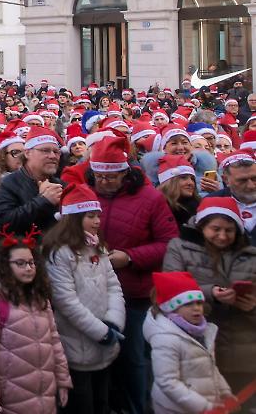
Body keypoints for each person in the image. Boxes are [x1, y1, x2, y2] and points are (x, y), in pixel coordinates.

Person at [86, 136, 178, 414]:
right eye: (99, 176)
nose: (104, 182)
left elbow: (169, 243)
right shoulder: (86, 194)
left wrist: (131, 258)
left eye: (111, 177)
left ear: (125, 173)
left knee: (134, 359)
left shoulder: (150, 198)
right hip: (94, 291)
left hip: (136, 293)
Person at [41, 184, 125, 414]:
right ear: (74, 218)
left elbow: (113, 285)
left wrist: (113, 323)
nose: (97, 222)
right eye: (90, 216)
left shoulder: (97, 246)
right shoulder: (60, 252)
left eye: (98, 216)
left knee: (102, 401)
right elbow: (65, 300)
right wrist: (100, 331)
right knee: (83, 402)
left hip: (105, 338)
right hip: (77, 341)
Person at [161, 196, 256, 396]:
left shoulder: (250, 255)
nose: (222, 236)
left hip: (244, 353)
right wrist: (210, 293)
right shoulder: (179, 247)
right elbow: (170, 291)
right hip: (196, 351)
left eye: (229, 230)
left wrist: (252, 307)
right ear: (201, 226)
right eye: (216, 229)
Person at [0, 232, 71, 414]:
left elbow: (55, 343)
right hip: (10, 397)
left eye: (31, 262)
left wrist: (63, 380)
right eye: (20, 263)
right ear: (4, 266)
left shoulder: (41, 301)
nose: (28, 268)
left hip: (45, 395)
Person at [143, 271, 232, 414]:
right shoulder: (166, 338)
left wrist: (225, 393)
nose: (196, 308)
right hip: (175, 409)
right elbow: (167, 382)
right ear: (171, 307)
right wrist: (204, 407)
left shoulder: (204, 333)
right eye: (188, 304)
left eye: (199, 303)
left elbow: (211, 368)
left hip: (204, 405)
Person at [0, 127, 64, 234]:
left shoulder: (61, 185)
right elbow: (4, 223)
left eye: (56, 151)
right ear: (27, 153)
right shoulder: (7, 184)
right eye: (45, 150)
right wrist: (43, 201)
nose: (52, 156)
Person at [156, 155, 200, 228]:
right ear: (169, 182)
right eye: (183, 178)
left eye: (192, 178)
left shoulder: (199, 205)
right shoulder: (158, 209)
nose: (190, 183)